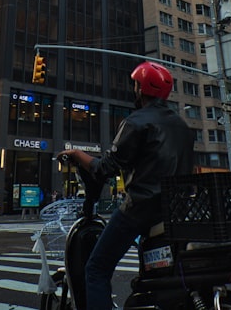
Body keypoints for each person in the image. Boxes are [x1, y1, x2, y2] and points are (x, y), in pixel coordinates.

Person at [58, 61, 194, 310]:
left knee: (96, 268)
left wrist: (77, 154)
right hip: (175, 211)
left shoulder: (136, 122)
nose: (134, 89)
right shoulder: (182, 126)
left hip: (141, 208)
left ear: (141, 89)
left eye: (135, 84)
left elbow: (104, 168)